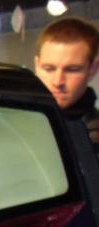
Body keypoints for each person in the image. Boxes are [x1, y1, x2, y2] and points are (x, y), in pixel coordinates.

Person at [34, 17, 99, 145]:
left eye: (72, 70)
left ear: (92, 70)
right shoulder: (16, 123)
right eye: (49, 69)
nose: (58, 81)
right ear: (37, 65)